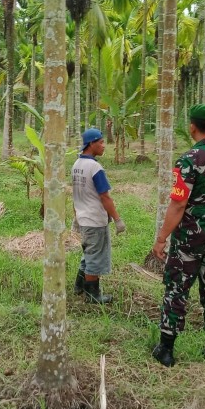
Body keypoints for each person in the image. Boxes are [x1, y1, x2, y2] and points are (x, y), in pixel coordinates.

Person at [151, 104, 205, 366]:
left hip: (190, 237)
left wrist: (161, 238)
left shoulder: (189, 160)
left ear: (192, 127)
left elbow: (179, 203)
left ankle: (166, 349)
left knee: (177, 289)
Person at [72, 128, 126, 304]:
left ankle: (79, 286)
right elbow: (105, 196)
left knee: (89, 253)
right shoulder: (95, 167)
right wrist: (117, 219)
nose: (104, 146)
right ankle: (92, 295)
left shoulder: (77, 164)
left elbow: (76, 193)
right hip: (95, 220)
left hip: (83, 217)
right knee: (95, 257)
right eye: (101, 142)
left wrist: (76, 216)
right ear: (91, 144)